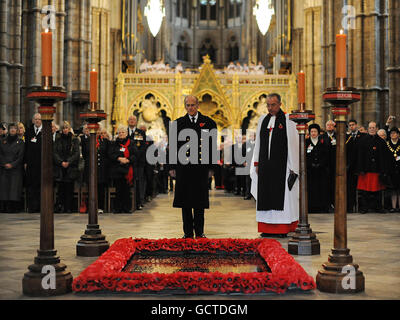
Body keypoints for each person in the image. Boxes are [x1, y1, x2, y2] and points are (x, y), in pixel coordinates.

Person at [250, 93, 299, 237]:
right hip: (265, 166)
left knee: (283, 197)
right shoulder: (263, 120)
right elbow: (258, 142)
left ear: (280, 104)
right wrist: (257, 163)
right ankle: (266, 228)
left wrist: (293, 166)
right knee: (265, 195)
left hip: (283, 167)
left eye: (273, 105)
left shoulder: (289, 120)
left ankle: (282, 229)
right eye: (268, 105)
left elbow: (293, 145)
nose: (270, 108)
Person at [169, 95, 217, 239]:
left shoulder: (208, 123)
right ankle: (187, 233)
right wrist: (171, 167)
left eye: (193, 105)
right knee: (185, 202)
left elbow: (212, 147)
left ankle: (200, 232)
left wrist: (212, 168)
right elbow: (172, 148)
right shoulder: (177, 123)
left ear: (198, 105)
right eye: (188, 105)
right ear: (185, 107)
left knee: (199, 202)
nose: (191, 108)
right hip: (184, 168)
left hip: (201, 168)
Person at [356, 121, 388, 213]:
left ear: (377, 128)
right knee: (365, 191)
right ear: (368, 129)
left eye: (373, 127)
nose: (372, 129)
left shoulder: (382, 142)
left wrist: (383, 170)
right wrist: (360, 169)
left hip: (377, 169)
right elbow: (359, 156)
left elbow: (384, 157)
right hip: (365, 170)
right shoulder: (362, 141)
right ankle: (364, 208)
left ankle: (378, 207)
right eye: (370, 127)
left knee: (377, 191)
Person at [108, 126, 137, 213]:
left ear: (126, 134)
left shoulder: (131, 143)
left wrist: (128, 160)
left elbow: (135, 154)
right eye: (119, 132)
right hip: (117, 169)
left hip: (128, 169)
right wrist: (119, 158)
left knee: (126, 190)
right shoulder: (114, 143)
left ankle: (126, 208)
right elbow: (110, 154)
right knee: (118, 190)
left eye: (123, 132)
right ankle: (118, 208)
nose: (121, 134)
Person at [53, 121, 80, 213]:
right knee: (61, 189)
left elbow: (76, 153)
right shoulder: (58, 139)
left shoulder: (74, 139)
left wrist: (68, 162)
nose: (65, 130)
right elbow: (55, 152)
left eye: (66, 128)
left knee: (69, 188)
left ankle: (69, 207)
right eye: (63, 128)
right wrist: (61, 162)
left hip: (70, 167)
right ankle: (60, 206)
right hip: (60, 167)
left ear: (69, 129)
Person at [0, 123, 25, 213]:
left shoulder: (20, 142)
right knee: (4, 188)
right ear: (8, 130)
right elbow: (1, 154)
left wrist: (12, 164)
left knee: (14, 189)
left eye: (15, 128)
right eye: (11, 128)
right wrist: (4, 163)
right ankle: (4, 207)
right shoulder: (2, 141)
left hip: (15, 169)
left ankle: (13, 208)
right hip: (4, 168)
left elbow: (21, 156)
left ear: (17, 130)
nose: (13, 130)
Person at [306, 124, 330, 213]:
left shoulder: (323, 142)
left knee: (322, 189)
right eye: (311, 131)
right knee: (311, 189)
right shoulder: (306, 142)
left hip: (321, 170)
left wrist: (320, 164)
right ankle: (311, 207)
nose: (313, 133)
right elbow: (304, 156)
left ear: (318, 133)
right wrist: (310, 164)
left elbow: (326, 155)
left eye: (315, 131)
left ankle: (322, 207)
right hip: (310, 171)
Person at [346, 119, 366, 212]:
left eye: (353, 125)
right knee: (350, 188)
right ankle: (350, 206)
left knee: (361, 188)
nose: (351, 126)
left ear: (356, 125)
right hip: (350, 168)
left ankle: (361, 207)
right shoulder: (347, 137)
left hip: (359, 166)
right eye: (350, 125)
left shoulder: (362, 136)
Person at [127, 115, 147, 210]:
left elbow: (143, 147)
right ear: (128, 121)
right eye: (130, 119)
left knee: (139, 182)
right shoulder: (124, 131)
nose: (132, 121)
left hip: (138, 162)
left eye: (133, 120)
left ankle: (139, 202)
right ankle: (129, 202)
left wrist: (135, 157)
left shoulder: (140, 132)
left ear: (136, 121)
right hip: (128, 162)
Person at [24, 113, 42, 213]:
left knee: (40, 186)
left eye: (39, 119)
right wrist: (25, 161)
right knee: (31, 186)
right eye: (35, 119)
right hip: (31, 164)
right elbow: (26, 147)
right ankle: (32, 207)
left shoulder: (45, 131)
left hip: (41, 164)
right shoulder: (29, 131)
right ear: (33, 120)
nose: (37, 121)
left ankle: (40, 206)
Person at [321, 120, 336, 212]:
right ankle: (326, 205)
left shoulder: (338, 136)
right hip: (325, 166)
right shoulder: (321, 137)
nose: (330, 127)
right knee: (325, 187)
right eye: (328, 125)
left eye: (331, 125)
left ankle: (335, 204)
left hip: (335, 166)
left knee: (334, 186)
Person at [385, 127, 400, 212]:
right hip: (391, 169)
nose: (393, 135)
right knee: (393, 190)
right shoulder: (387, 144)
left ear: (398, 134)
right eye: (391, 133)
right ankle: (394, 207)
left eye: (395, 133)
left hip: (399, 168)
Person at [96, 127, 111, 213]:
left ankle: (100, 207)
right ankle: (92, 206)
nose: (100, 133)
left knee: (101, 188)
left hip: (102, 169)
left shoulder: (105, 142)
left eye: (101, 132)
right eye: (98, 132)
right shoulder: (91, 141)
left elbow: (108, 154)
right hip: (94, 169)